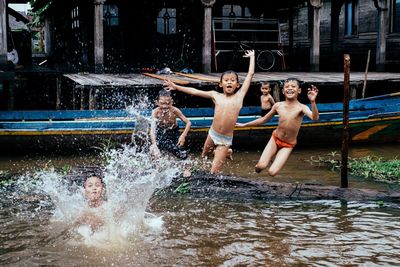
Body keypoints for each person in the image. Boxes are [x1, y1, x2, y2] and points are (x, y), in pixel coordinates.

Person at [164, 50, 255, 174]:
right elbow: (194, 91)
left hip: (225, 139)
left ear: (238, 85)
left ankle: (225, 151)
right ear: (221, 84)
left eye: (232, 80)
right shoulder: (215, 95)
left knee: (214, 172)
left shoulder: (240, 96)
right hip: (213, 133)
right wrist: (176, 87)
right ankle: (225, 153)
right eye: (226, 80)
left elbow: (250, 75)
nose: (229, 82)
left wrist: (252, 57)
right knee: (204, 156)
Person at [236, 78, 319, 176]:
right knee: (260, 167)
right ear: (283, 91)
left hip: (288, 144)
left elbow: (315, 118)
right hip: (275, 139)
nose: (290, 88)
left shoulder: (302, 107)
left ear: (299, 91)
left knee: (272, 172)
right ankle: (256, 171)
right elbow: (263, 119)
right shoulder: (278, 106)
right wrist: (245, 124)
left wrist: (313, 102)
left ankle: (274, 158)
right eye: (287, 87)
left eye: (293, 86)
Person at [150, 90, 192, 176]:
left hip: (173, 131)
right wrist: (154, 146)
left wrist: (183, 135)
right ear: (157, 102)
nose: (165, 106)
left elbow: (188, 122)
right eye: (162, 103)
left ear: (172, 102)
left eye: (168, 103)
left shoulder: (174, 110)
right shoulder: (155, 112)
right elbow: (152, 130)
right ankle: (157, 168)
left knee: (179, 149)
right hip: (161, 130)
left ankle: (187, 169)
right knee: (155, 148)